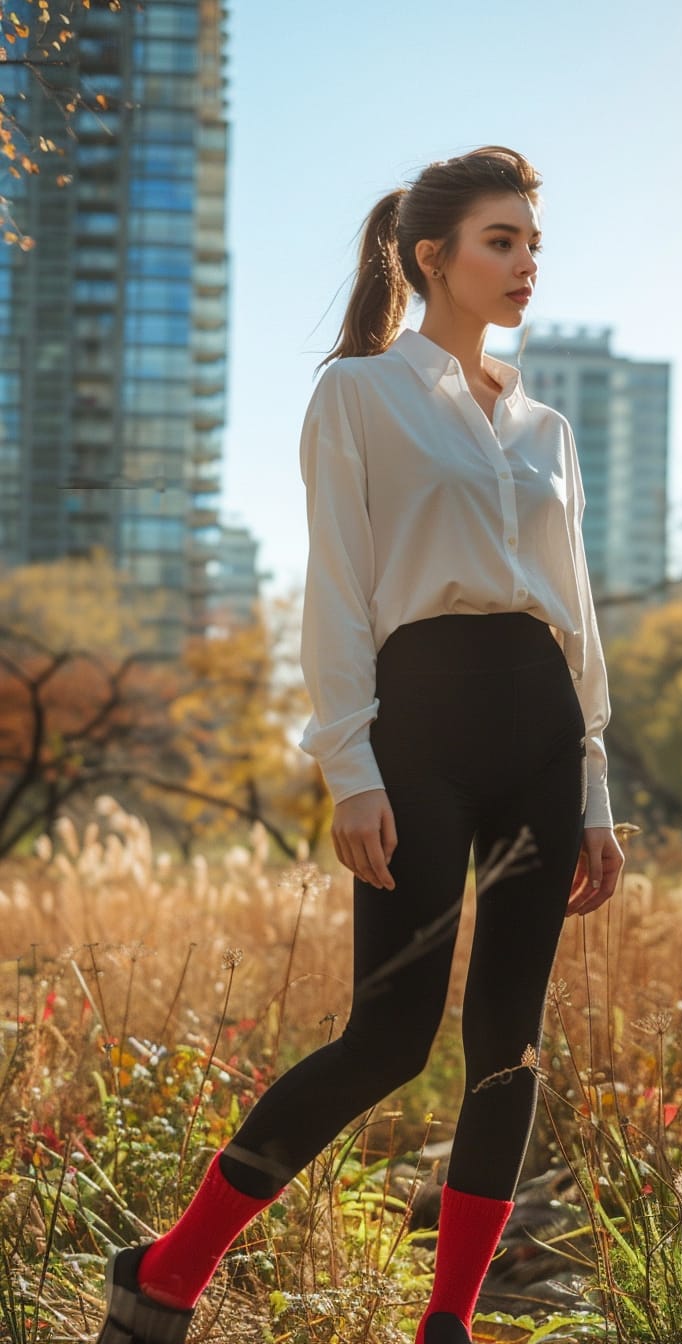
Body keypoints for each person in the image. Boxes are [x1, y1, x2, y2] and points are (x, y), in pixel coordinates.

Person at [96, 145, 624, 1344]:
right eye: (502, 240)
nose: (526, 263)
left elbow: (575, 611)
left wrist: (593, 784)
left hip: (540, 723)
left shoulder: (543, 424)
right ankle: (167, 1272)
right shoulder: (357, 395)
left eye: (533, 243)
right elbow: (334, 594)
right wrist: (351, 768)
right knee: (385, 1039)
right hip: (419, 719)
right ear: (430, 256)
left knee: (508, 1043)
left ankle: (448, 1324)